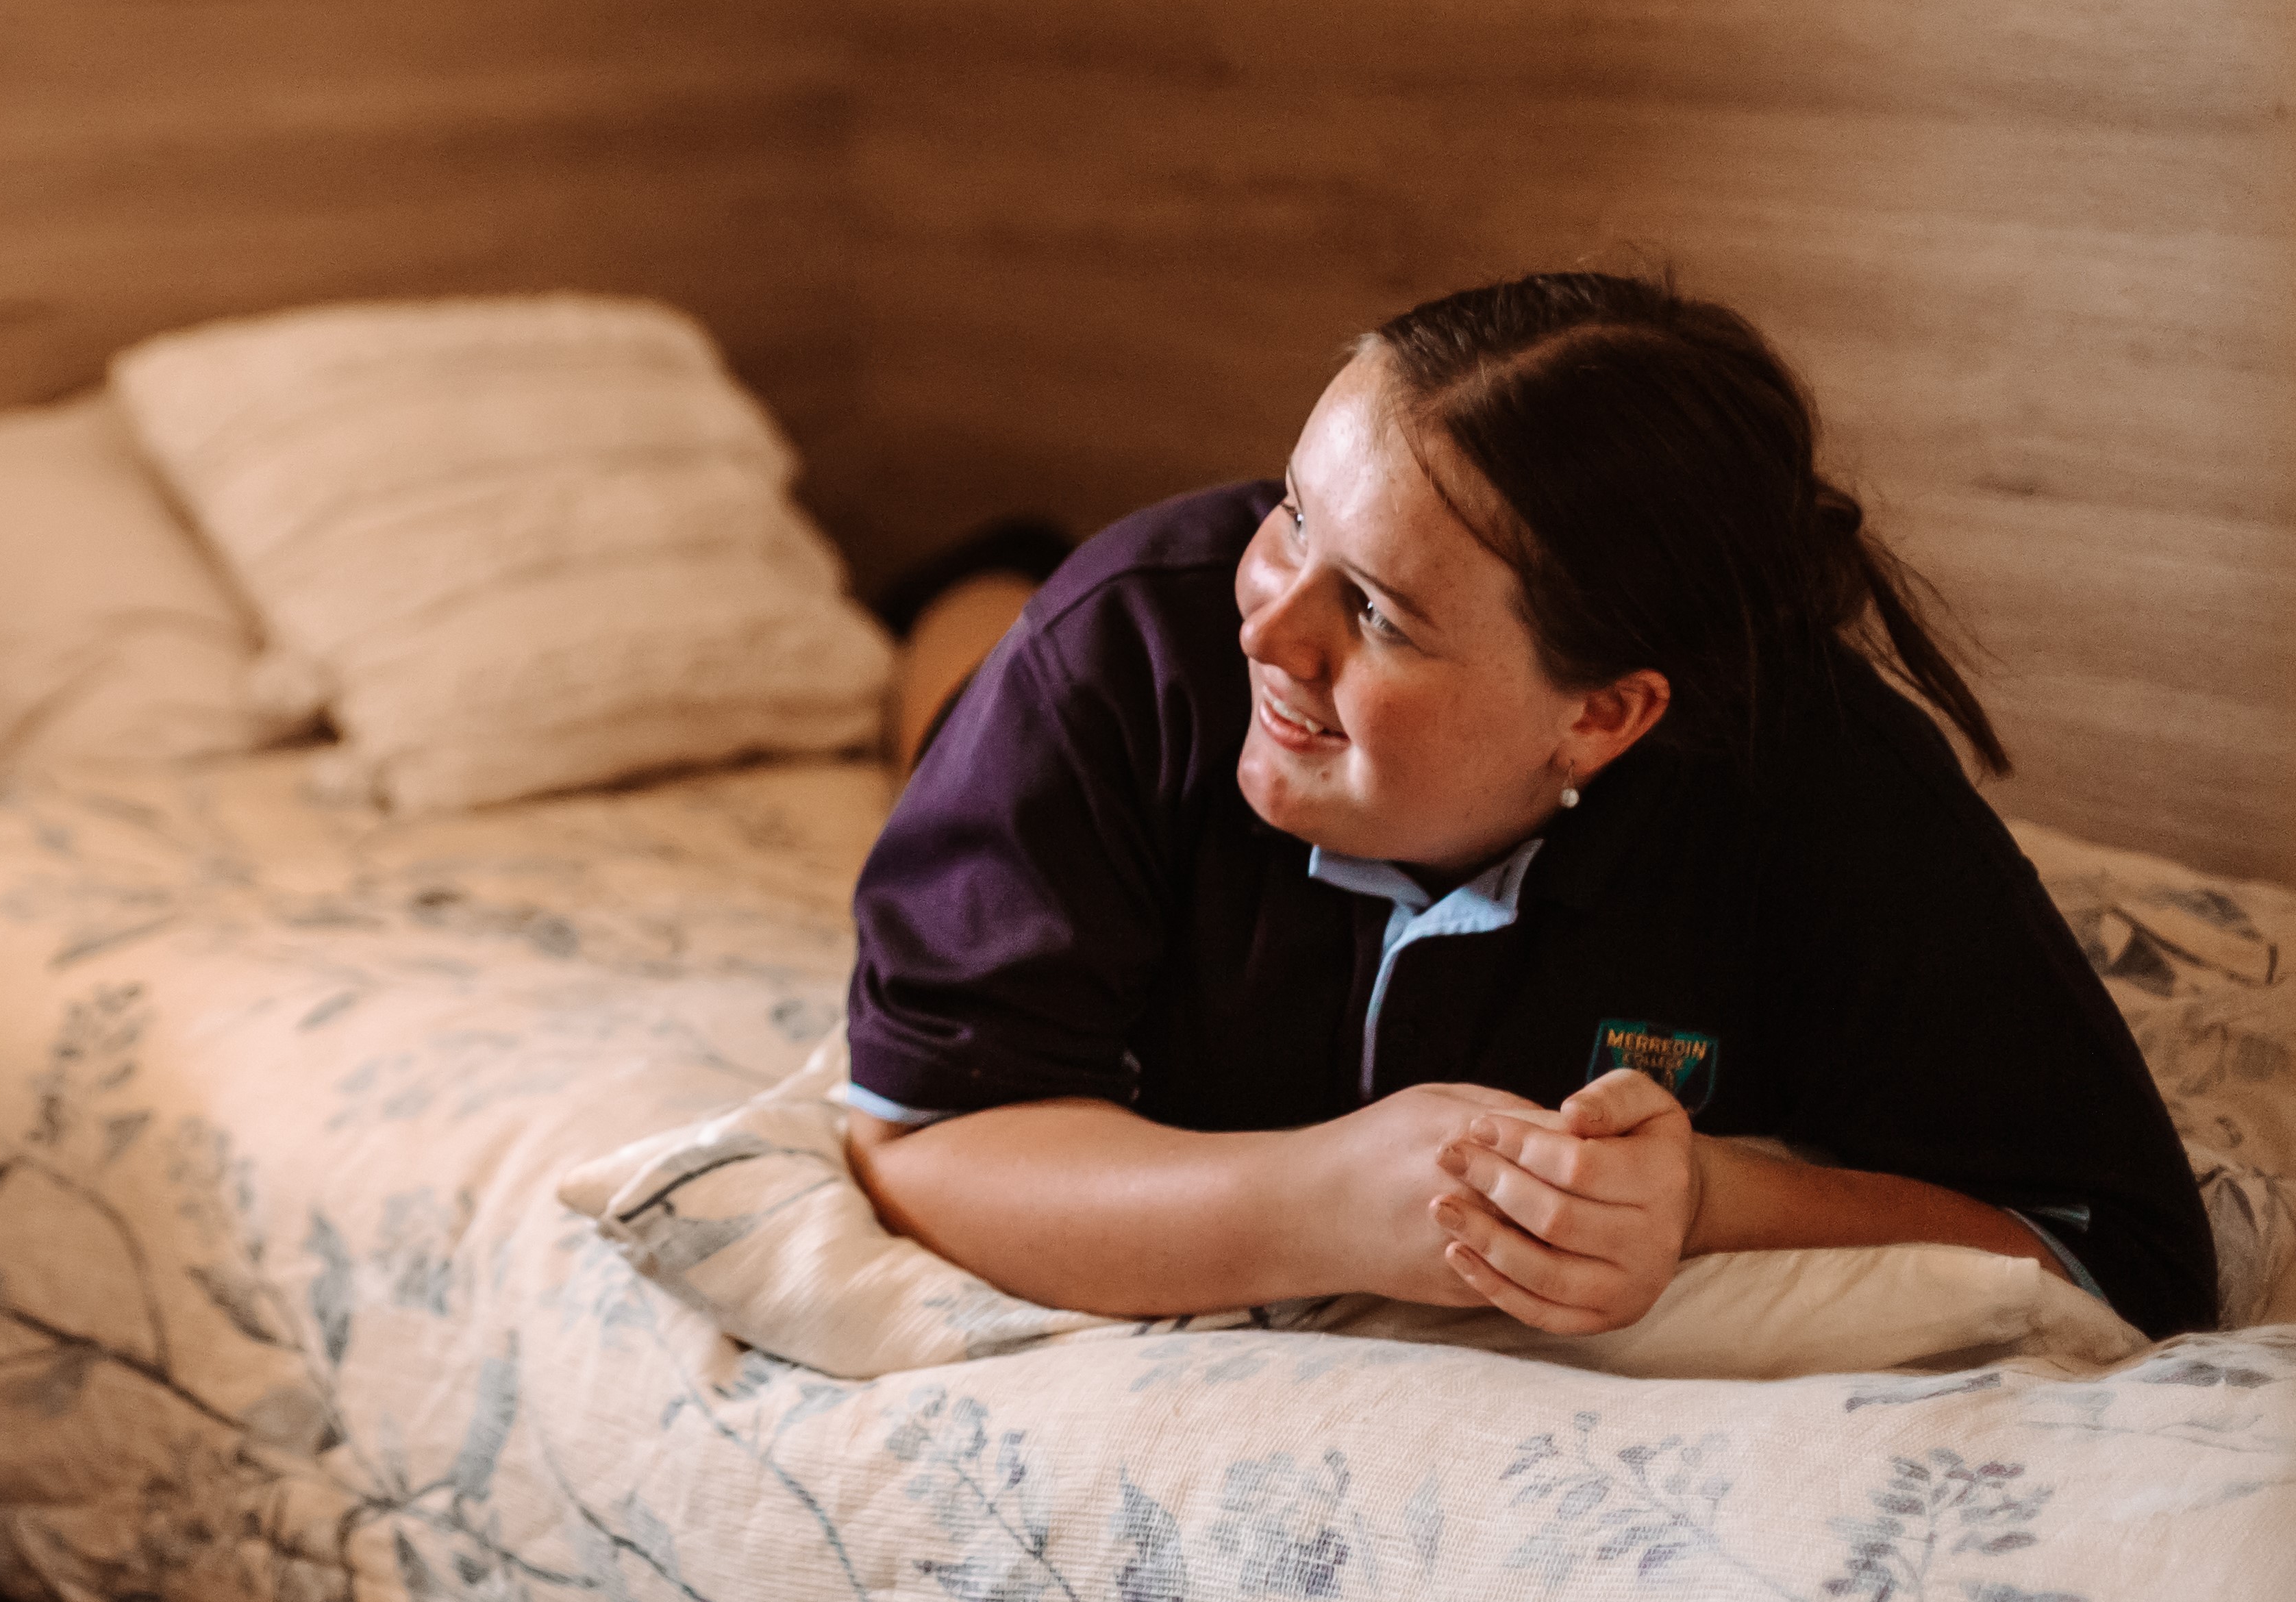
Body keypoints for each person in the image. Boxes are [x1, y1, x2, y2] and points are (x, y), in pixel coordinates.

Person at [838, 272, 2214, 1343]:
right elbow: (917, 1135)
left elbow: (2117, 1253)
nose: (1266, 632)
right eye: (1295, 515)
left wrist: (1706, 1199)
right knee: (958, 699)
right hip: (1027, 670)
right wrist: (1325, 1200)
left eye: (1372, 609)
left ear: (1606, 713)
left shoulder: (1820, 790)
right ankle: (969, 585)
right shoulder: (1130, 647)